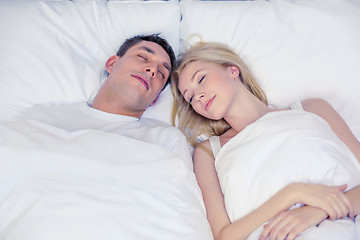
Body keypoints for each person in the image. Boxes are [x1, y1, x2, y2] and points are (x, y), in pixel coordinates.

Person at [171, 42, 360, 240]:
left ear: (232, 70)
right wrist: (293, 193)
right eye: (190, 97)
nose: (198, 96)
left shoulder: (312, 109)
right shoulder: (208, 152)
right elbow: (224, 236)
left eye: (201, 79)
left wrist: (315, 212)